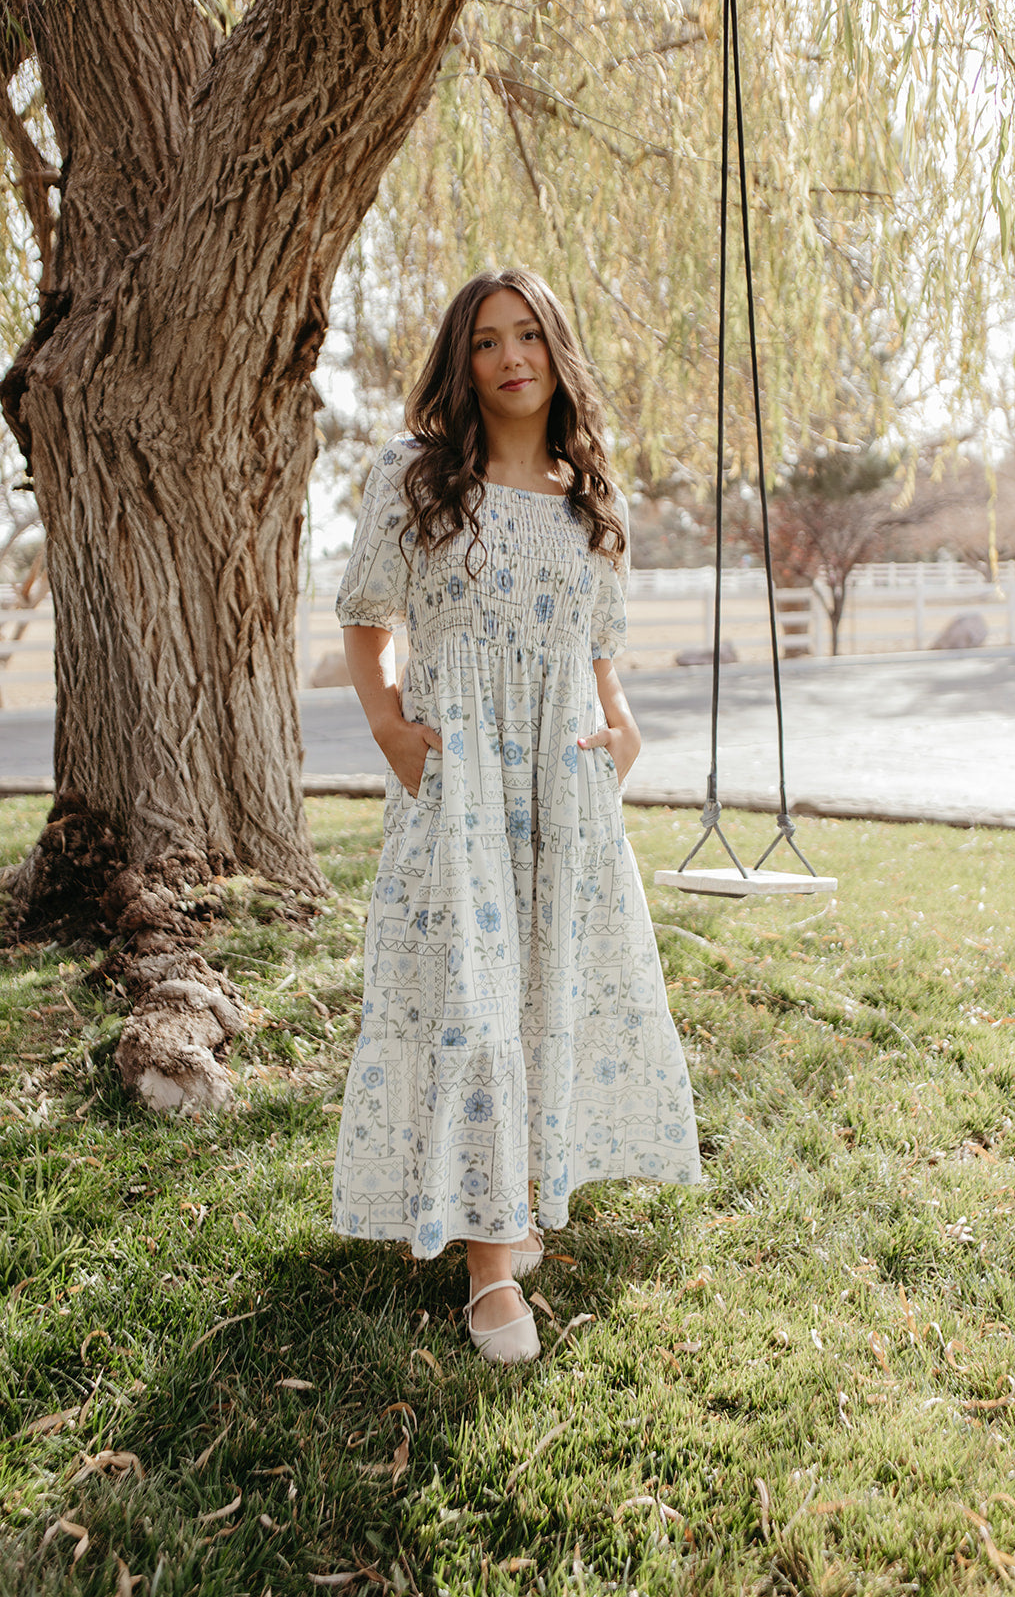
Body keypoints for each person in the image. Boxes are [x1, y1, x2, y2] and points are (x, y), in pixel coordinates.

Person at [332, 268, 701, 1364]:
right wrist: (393, 729)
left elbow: (598, 656)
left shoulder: (591, 496)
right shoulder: (412, 477)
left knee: (542, 984)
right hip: (458, 794)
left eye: (528, 334)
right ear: (463, 359)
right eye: (486, 340)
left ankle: (507, 1193)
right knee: (471, 998)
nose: (509, 356)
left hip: (560, 786)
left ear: (554, 350)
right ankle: (491, 1262)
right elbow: (364, 620)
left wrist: (622, 729)